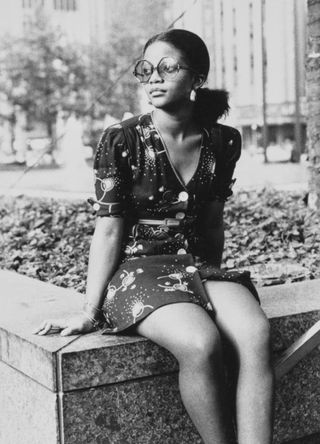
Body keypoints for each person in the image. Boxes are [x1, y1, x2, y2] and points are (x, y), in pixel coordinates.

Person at [34, 29, 274, 444]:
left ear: (197, 78)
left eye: (168, 68)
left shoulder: (223, 140)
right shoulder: (122, 138)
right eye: (146, 70)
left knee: (255, 335)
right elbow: (108, 229)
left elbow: (212, 221)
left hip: (196, 267)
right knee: (200, 342)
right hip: (136, 272)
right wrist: (90, 311)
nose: (154, 78)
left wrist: (210, 281)